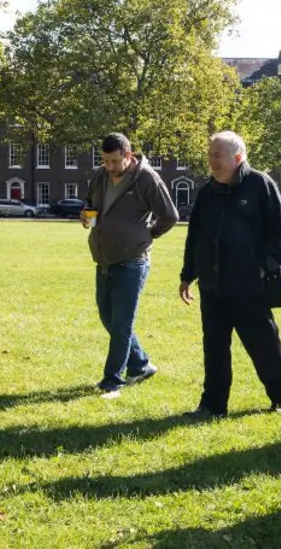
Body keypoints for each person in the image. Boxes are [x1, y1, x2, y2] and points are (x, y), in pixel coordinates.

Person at [179, 131, 281, 418]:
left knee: (263, 343)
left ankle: (280, 398)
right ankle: (212, 405)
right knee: (214, 348)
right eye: (210, 155)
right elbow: (195, 236)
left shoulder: (260, 184)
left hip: (249, 286)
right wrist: (187, 273)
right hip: (212, 285)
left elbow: (280, 232)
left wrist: (264, 267)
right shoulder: (207, 192)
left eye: (217, 155)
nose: (212, 161)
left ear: (238, 157)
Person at [83, 133, 179, 396]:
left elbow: (170, 216)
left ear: (128, 155)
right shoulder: (100, 175)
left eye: (115, 161)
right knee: (108, 317)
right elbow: (90, 204)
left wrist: (147, 235)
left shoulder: (147, 179)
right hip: (104, 258)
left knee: (122, 323)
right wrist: (88, 217)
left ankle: (112, 381)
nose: (110, 167)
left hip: (133, 261)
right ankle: (141, 365)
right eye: (105, 161)